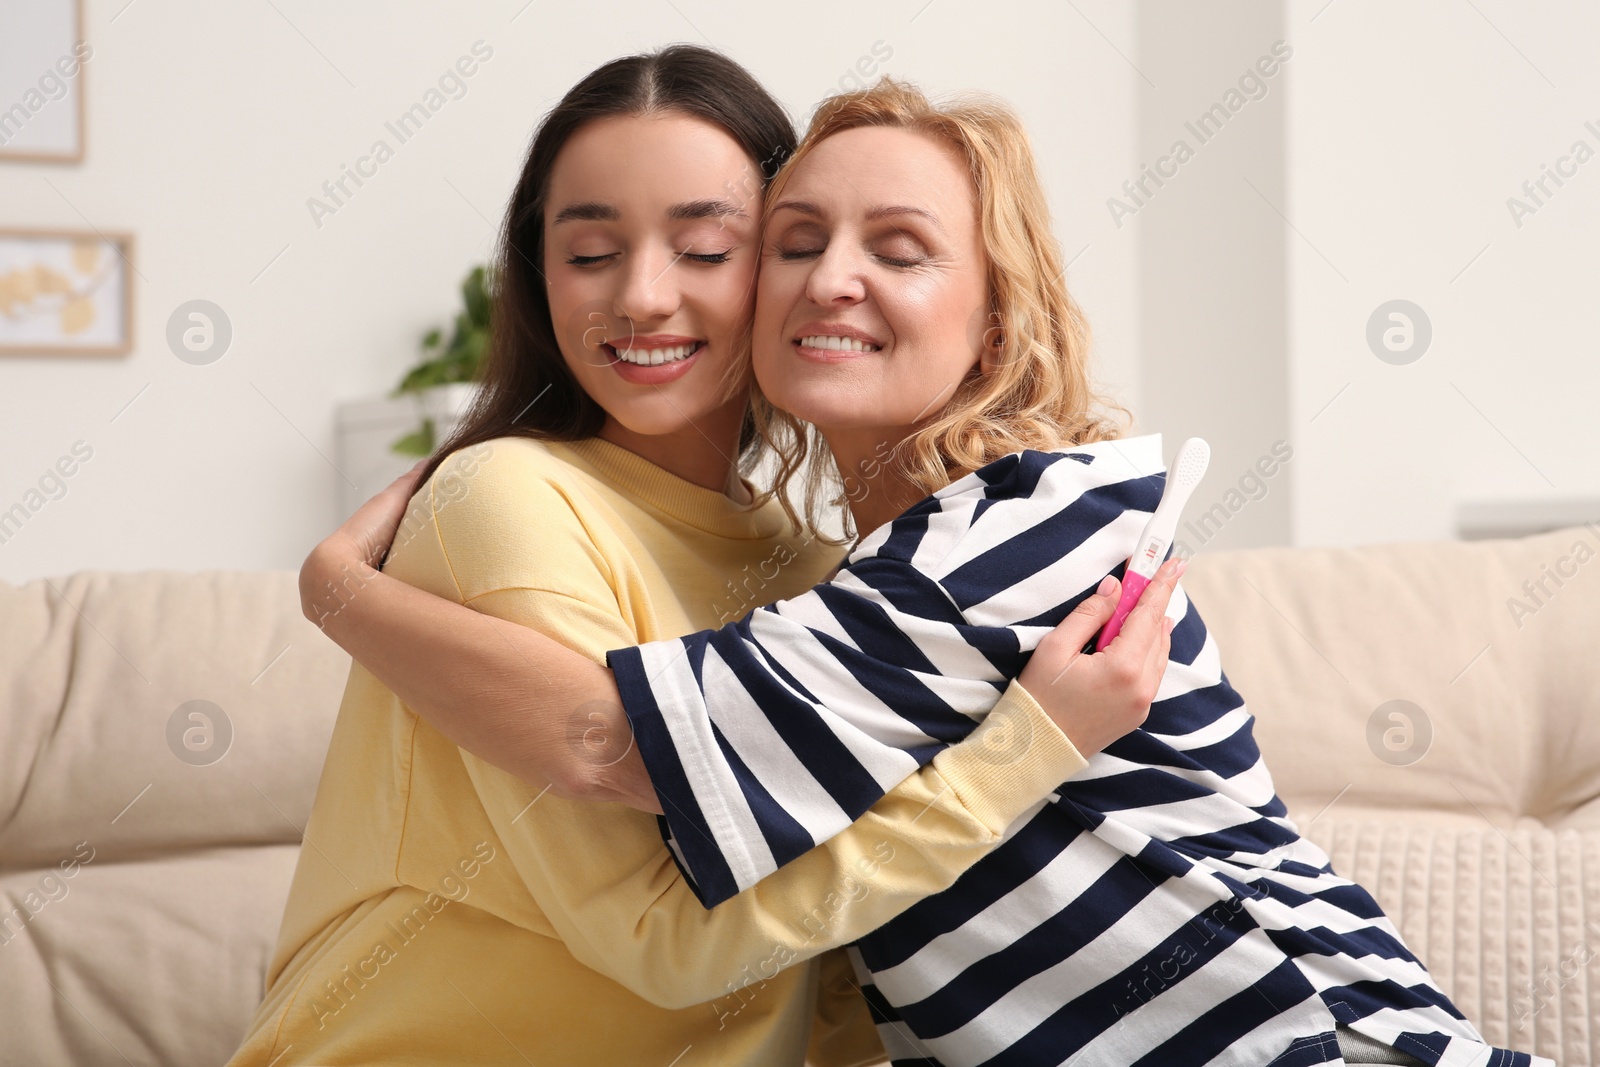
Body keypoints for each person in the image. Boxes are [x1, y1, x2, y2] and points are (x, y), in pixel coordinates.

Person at [304, 77, 1549, 1067]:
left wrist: (336, 592)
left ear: (995, 320)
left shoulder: (1011, 535)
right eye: (797, 239)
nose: (831, 276)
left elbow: (603, 741)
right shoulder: (856, 566)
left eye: (898, 249)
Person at [231, 48, 1172, 1067]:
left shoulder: (833, 571)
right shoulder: (504, 499)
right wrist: (1027, 749)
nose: (639, 296)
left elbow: (832, 964)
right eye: (588, 253)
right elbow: (663, 940)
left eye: (705, 249)